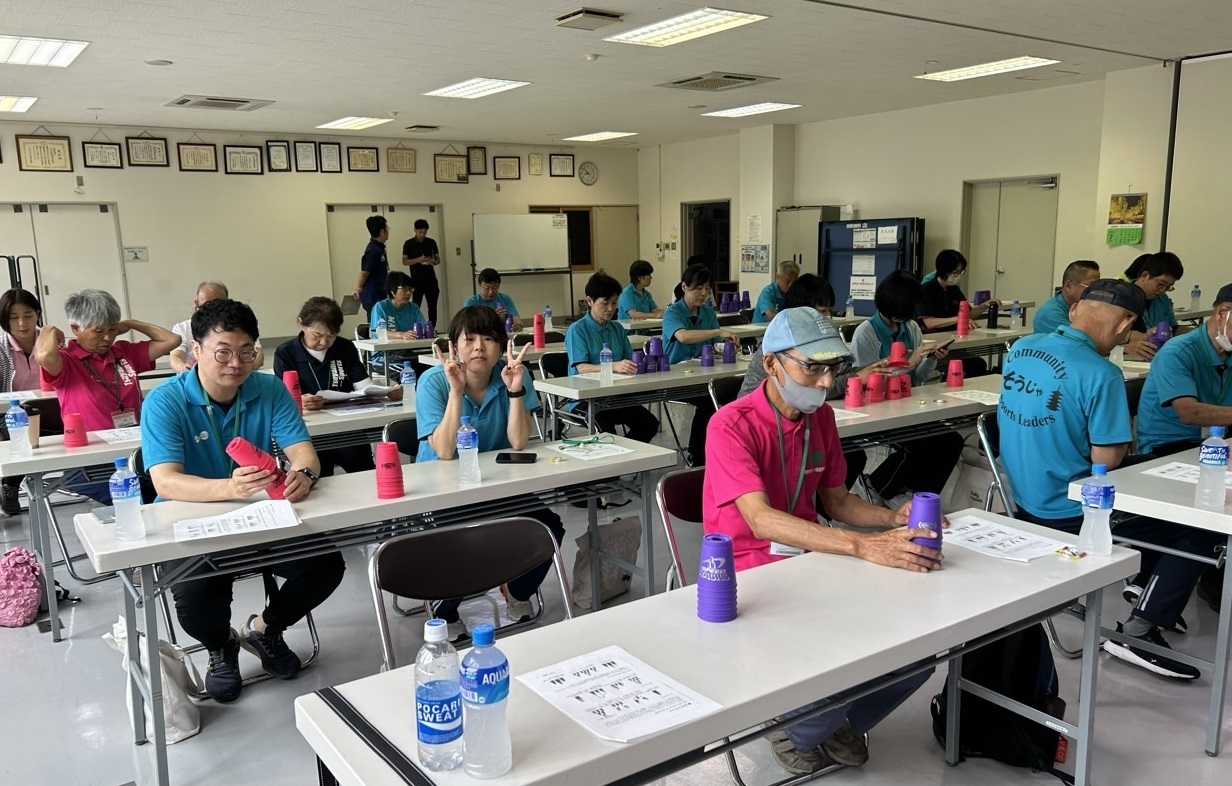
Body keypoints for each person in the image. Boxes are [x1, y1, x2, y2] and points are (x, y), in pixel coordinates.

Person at [704, 307, 938, 775]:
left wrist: (891, 518)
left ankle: (825, 720)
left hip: (811, 558)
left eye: (832, 369)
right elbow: (761, 520)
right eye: (811, 368)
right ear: (771, 363)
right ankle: (790, 723)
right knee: (834, 647)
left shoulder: (821, 419)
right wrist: (861, 545)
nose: (826, 382)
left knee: (918, 650)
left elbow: (837, 502)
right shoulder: (731, 425)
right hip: (749, 571)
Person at [998, 279, 1220, 680]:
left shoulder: (1022, 349)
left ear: (1074, 311)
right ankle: (1138, 631)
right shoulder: (1101, 373)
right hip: (1072, 509)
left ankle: (1146, 581)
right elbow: (1107, 457)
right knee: (1199, 524)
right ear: (1124, 327)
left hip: (1023, 500)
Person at [142, 299, 343, 703]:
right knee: (197, 603)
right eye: (223, 352)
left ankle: (264, 628)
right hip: (197, 523)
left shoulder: (267, 389)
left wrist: (303, 475)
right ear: (196, 351)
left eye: (247, 351)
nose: (236, 362)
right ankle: (221, 645)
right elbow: (165, 481)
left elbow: (304, 452)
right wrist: (229, 489)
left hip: (262, 517)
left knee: (326, 565)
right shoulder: (165, 402)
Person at [415, 305, 565, 641]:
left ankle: (518, 590)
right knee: (458, 542)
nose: (479, 348)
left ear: (501, 344)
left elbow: (518, 441)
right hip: (439, 489)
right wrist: (456, 391)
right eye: (469, 340)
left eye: (488, 339)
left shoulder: (512, 372)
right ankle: (446, 611)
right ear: (454, 345)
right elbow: (443, 450)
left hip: (496, 487)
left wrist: (514, 389)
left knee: (549, 528)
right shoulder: (433, 382)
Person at [739, 274, 884, 488]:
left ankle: (817, 510)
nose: (827, 318)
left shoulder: (822, 414)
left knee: (853, 455)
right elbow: (822, 383)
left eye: (829, 311)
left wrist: (872, 369)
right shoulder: (782, 346)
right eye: (821, 311)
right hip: (767, 424)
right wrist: (857, 378)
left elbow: (839, 372)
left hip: (800, 419)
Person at [850, 271, 963, 501]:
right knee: (916, 445)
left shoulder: (910, 328)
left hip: (906, 404)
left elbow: (919, 376)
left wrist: (931, 357)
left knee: (950, 440)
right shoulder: (866, 334)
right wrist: (911, 362)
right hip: (874, 408)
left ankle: (918, 496)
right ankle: (875, 486)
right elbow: (869, 383)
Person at [274, 296, 402, 476]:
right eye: (317, 336)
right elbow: (282, 399)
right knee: (319, 475)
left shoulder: (345, 347)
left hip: (346, 423)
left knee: (363, 472)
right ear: (301, 324)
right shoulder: (286, 353)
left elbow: (364, 386)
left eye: (331, 336)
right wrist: (300, 401)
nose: (324, 343)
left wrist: (386, 392)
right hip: (310, 431)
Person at [35, 288, 180, 432]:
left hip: (134, 438)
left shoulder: (124, 352)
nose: (107, 338)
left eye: (112, 330)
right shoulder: (66, 360)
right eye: (98, 331)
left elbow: (172, 340)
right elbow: (44, 355)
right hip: (91, 447)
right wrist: (49, 329)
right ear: (75, 328)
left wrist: (131, 323)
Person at [1135, 283, 1232, 457]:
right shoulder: (1177, 352)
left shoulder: (1228, 351)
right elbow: (1189, 412)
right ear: (1222, 313)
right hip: (1169, 447)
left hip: (1217, 441)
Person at [565, 272, 658, 443]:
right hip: (585, 400)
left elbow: (629, 361)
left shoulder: (617, 328)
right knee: (606, 432)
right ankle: (613, 463)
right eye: (605, 303)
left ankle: (627, 459)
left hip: (613, 396)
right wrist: (614, 366)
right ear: (590, 301)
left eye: (614, 303)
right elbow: (581, 368)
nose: (610, 308)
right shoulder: (578, 330)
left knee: (649, 424)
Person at [662, 263, 738, 466]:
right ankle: (698, 455)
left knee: (733, 395)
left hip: (703, 374)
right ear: (684, 286)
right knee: (709, 400)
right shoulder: (672, 313)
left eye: (707, 288)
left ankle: (725, 450)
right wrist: (718, 332)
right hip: (675, 377)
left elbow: (715, 344)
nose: (704, 293)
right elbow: (683, 337)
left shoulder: (707, 313)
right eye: (698, 288)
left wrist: (727, 346)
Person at [0, 288, 43, 515]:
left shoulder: (51, 342)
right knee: (21, 437)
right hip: (9, 414)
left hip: (50, 410)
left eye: (27, 315)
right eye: (13, 318)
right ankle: (10, 485)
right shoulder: (0, 348)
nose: (21, 323)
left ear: (37, 313)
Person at [169, 281, 264, 371]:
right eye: (206, 306)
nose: (212, 312)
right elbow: (176, 357)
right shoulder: (182, 328)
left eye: (218, 306)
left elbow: (258, 355)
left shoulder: (241, 325)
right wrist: (185, 369)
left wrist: (244, 369)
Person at [1120, 251, 1188, 358]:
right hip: (1128, 358)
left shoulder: (1162, 299)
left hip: (1157, 356)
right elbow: (1104, 334)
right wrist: (1125, 346)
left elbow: (1173, 328)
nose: (1163, 290)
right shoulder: (1120, 296)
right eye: (1161, 284)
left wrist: (1199, 332)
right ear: (1145, 275)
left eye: (1168, 287)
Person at [917, 249, 999, 332]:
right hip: (932, 337)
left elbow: (968, 314)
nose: (958, 276)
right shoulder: (926, 290)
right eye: (955, 272)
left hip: (952, 334)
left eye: (961, 272)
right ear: (943, 270)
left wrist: (984, 305)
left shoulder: (953, 289)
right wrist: (958, 319)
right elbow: (930, 323)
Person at [368, 271, 426, 373]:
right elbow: (379, 333)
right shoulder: (381, 307)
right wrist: (402, 335)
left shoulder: (413, 308)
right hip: (384, 359)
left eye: (410, 289)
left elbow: (423, 327)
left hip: (408, 355)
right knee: (409, 373)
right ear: (392, 291)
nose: (409, 293)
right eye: (404, 289)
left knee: (430, 369)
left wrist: (428, 332)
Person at [1032, 260, 1101, 334]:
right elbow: (1080, 340)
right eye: (1090, 286)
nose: (1095, 291)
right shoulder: (1050, 313)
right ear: (1069, 286)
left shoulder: (1082, 308)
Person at [401, 218, 441, 325]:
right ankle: (415, 327)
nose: (422, 234)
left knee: (432, 307)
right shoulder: (409, 243)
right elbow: (404, 261)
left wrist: (433, 261)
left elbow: (438, 259)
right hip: (416, 281)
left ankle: (432, 329)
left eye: (424, 232)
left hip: (431, 280)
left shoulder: (431, 242)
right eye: (420, 232)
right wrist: (418, 260)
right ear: (415, 230)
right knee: (415, 306)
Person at [352, 214, 390, 319]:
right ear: (382, 231)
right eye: (387, 228)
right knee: (375, 325)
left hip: (379, 294)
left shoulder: (379, 248)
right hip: (373, 296)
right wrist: (358, 288)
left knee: (380, 323)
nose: (388, 231)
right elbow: (364, 272)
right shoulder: (373, 250)